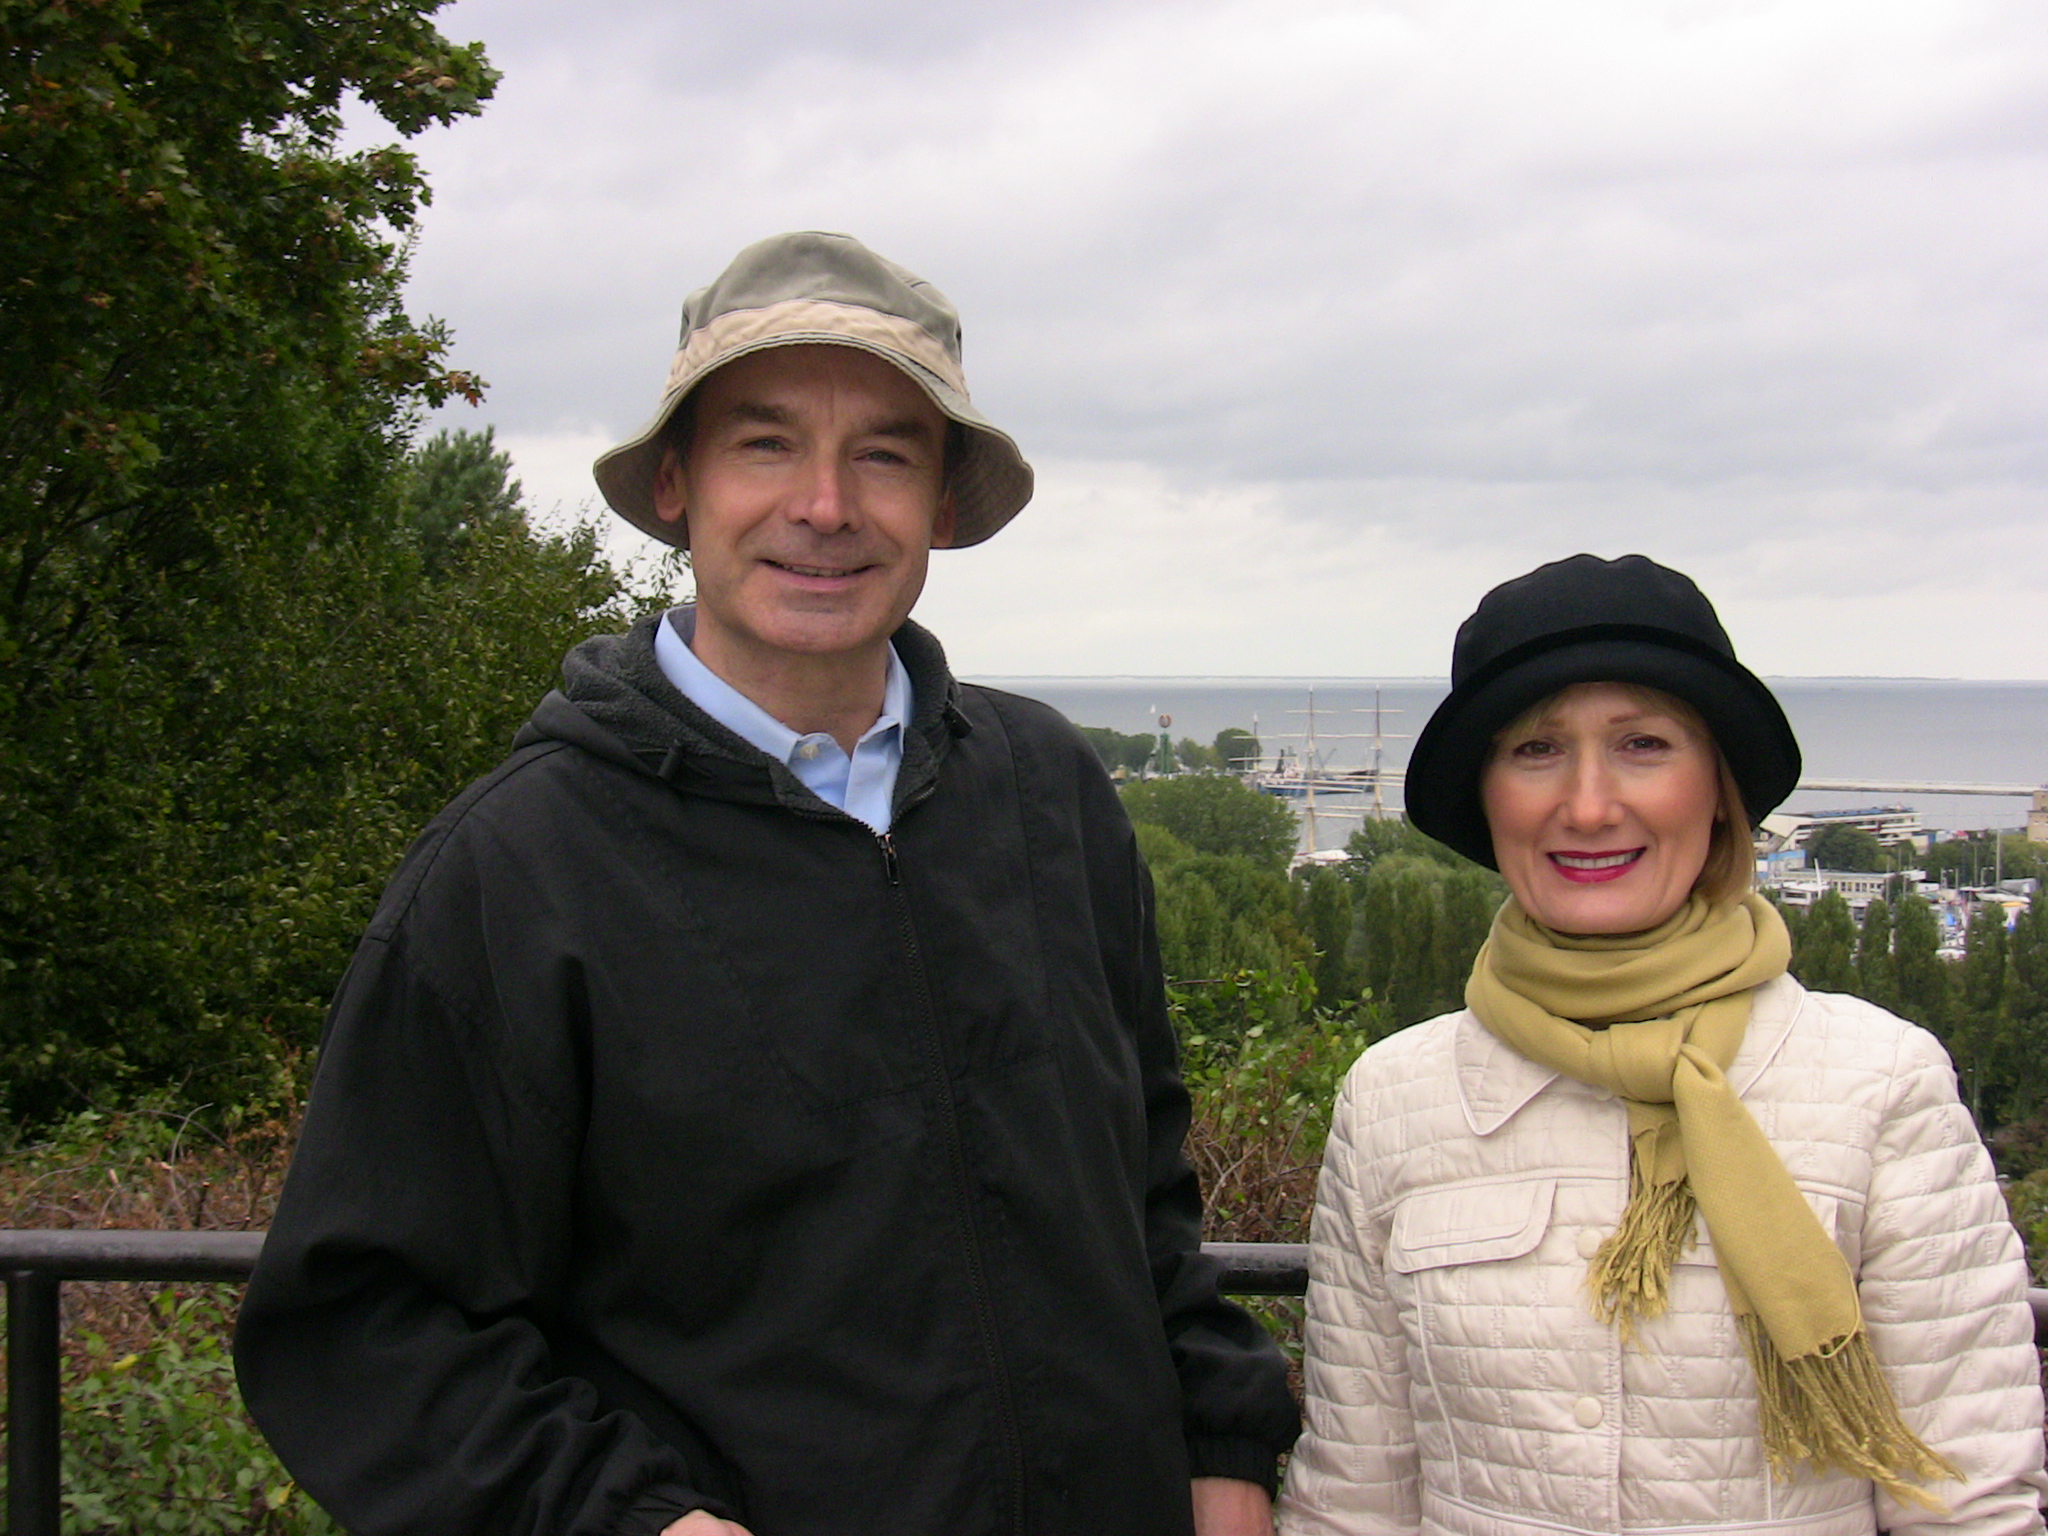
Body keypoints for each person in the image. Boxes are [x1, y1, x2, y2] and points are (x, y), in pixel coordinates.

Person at [234, 231, 1298, 1536]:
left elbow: (1141, 1189)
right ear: (676, 482)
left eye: (885, 455)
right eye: (765, 443)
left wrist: (1220, 1443)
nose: (826, 505)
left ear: (942, 504)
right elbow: (362, 1323)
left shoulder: (1048, 794)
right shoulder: (521, 869)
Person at [1277, 554, 2046, 1536]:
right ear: (1486, 795)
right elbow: (1354, 1497)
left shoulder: (1877, 1084)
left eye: (1642, 744)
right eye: (1535, 750)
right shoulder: (1395, 1098)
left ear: (1717, 788)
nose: (1588, 805)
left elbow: (1962, 1502)